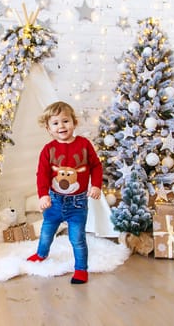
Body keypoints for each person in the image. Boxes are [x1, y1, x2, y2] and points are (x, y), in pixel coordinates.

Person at [27, 101, 103, 284]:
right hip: (54, 202)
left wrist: (96, 185)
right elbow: (42, 174)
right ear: (48, 128)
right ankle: (41, 253)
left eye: (65, 121)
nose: (61, 126)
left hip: (77, 203)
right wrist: (43, 195)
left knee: (77, 238)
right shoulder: (48, 150)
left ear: (74, 123)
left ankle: (81, 269)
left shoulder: (84, 145)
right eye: (55, 123)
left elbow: (96, 166)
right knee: (46, 232)